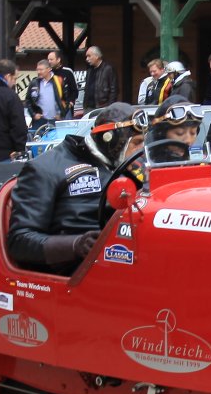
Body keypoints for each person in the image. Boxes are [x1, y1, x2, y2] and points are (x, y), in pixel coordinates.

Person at [7, 101, 138, 275]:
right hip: (73, 272)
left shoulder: (127, 167)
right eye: (136, 143)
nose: (140, 151)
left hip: (124, 257)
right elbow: (19, 241)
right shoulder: (46, 168)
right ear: (111, 139)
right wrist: (76, 244)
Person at [26, 59, 64, 127]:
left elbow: (66, 99)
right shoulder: (34, 83)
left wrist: (61, 114)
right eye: (37, 69)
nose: (38, 72)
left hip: (55, 120)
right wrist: (33, 114)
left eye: (41, 70)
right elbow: (28, 100)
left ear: (49, 69)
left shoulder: (58, 81)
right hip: (40, 120)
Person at [82, 46, 119, 113]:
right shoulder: (90, 70)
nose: (87, 59)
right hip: (88, 108)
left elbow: (114, 91)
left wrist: (109, 108)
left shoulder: (108, 69)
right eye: (86, 56)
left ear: (97, 56)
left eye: (89, 56)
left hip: (102, 108)